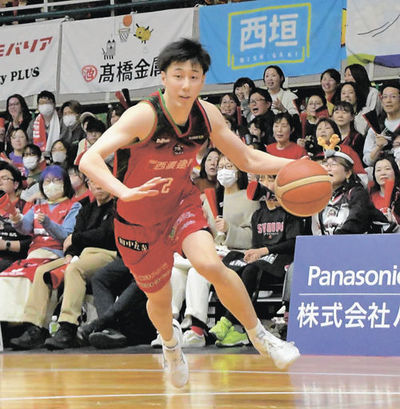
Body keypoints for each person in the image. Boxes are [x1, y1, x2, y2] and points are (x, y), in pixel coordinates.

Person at [79, 38, 300, 389]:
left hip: (181, 203)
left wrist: (295, 165)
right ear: (163, 78)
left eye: (194, 76)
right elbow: (88, 159)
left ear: (202, 80)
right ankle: (171, 345)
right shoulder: (144, 115)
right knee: (159, 297)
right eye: (178, 75)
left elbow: (247, 158)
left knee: (210, 264)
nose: (186, 84)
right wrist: (124, 192)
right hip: (136, 220)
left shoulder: (207, 115)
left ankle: (261, 336)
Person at [9, 177, 116, 350]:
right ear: (88, 185)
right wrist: (69, 254)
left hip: (106, 253)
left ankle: (68, 327)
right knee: (43, 271)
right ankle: (36, 328)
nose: (98, 185)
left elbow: (105, 235)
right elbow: (72, 240)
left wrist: (75, 239)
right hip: (80, 255)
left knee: (74, 269)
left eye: (101, 181)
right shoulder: (86, 210)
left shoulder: (117, 207)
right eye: (93, 182)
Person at [210, 174, 305, 347]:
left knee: (251, 270)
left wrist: (264, 251)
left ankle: (229, 321)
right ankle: (238, 327)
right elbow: (256, 244)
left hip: (281, 260)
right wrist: (253, 253)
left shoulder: (290, 212)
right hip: (261, 259)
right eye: (262, 179)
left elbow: (293, 242)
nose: (265, 184)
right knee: (231, 266)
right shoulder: (258, 215)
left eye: (270, 179)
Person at [77, 255, 156, 349]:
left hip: (155, 257)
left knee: (141, 276)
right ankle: (111, 329)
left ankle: (101, 322)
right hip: (134, 255)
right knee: (99, 278)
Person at [312, 151, 378, 235]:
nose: (328, 169)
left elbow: (356, 220)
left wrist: (336, 238)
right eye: (326, 165)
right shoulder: (322, 198)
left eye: (333, 165)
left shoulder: (357, 194)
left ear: (348, 173)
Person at [0, 162, 31, 271]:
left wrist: (6, 245)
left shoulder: (27, 206)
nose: (0, 182)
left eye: (4, 178)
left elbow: (32, 241)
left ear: (15, 184)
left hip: (16, 259)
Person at [363, 82, 400, 167]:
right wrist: (378, 147)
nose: (388, 101)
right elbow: (367, 161)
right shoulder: (376, 127)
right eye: (385, 97)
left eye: (393, 97)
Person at [369, 154, 400, 224]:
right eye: (378, 170)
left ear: (395, 172)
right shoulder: (370, 198)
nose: (383, 173)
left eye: (387, 169)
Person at [27, 90, 60, 156]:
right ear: (37, 106)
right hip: (37, 156)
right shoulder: (33, 123)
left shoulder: (61, 121)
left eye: (48, 103)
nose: (45, 105)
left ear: (54, 104)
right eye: (42, 103)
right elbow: (29, 140)